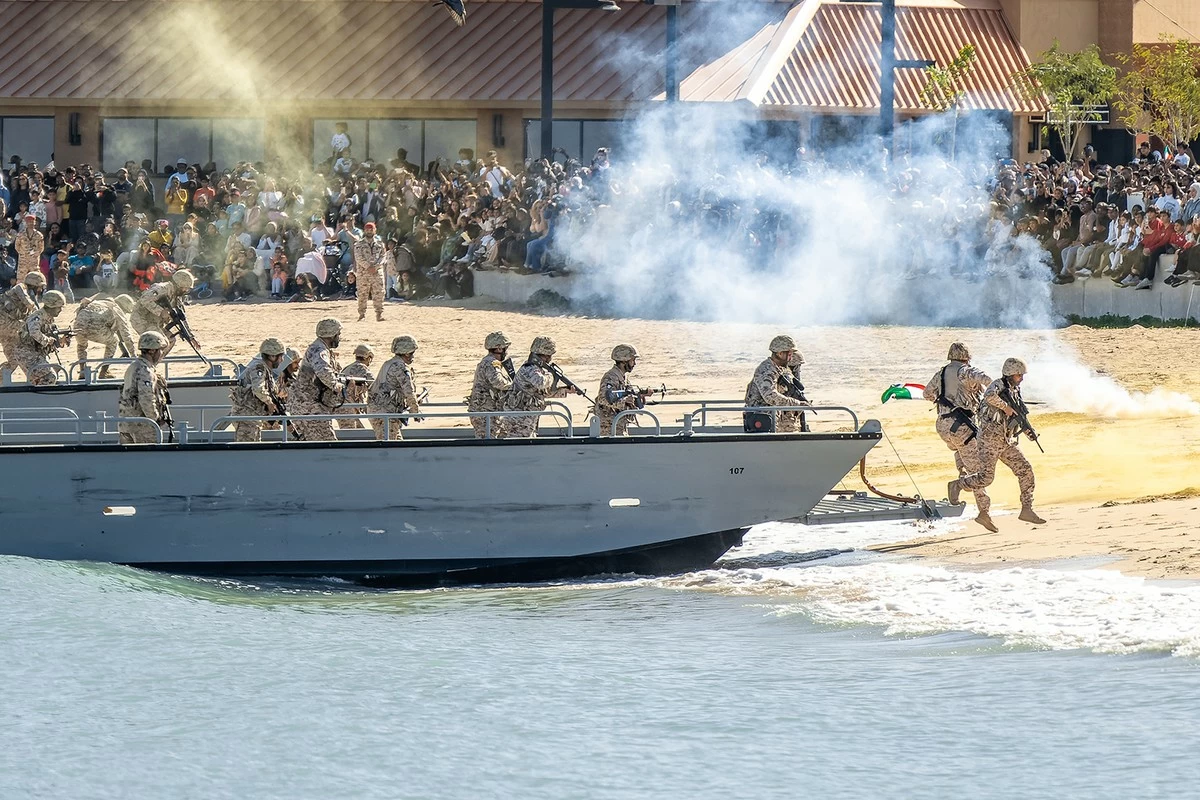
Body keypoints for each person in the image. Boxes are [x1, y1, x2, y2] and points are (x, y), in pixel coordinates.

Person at [953, 358, 1045, 531]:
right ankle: (958, 485)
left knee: (1026, 471)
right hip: (989, 442)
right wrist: (1005, 408)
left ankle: (1027, 509)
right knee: (985, 479)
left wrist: (1028, 432)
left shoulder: (1014, 390)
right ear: (1010, 374)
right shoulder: (997, 386)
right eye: (1019, 375)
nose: (1021, 379)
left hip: (1006, 441)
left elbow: (1018, 417)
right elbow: (988, 396)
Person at [929, 342, 993, 513]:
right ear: (966, 357)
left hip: (943, 425)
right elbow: (988, 380)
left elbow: (927, 393)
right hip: (961, 427)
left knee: (961, 450)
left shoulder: (941, 373)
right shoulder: (965, 371)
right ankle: (983, 511)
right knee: (978, 471)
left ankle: (961, 477)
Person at [497, 336, 579, 439]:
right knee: (517, 448)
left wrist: (563, 390)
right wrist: (551, 375)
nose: (550, 359)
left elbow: (544, 392)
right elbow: (541, 382)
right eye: (549, 355)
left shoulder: (537, 369)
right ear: (544, 355)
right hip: (518, 420)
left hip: (527, 418)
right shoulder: (530, 368)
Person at [288, 318, 346, 441]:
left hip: (310, 407)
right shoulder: (318, 350)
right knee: (327, 444)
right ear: (331, 335)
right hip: (310, 409)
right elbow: (323, 370)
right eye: (338, 334)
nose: (339, 338)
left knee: (308, 445)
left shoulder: (322, 349)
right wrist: (336, 385)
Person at [743, 335, 808, 432]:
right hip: (762, 422)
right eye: (789, 355)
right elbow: (771, 396)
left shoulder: (780, 370)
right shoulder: (766, 370)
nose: (790, 359)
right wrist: (796, 404)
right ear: (780, 353)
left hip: (772, 422)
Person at [118, 331, 170, 444]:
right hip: (142, 427)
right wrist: (156, 420)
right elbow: (146, 399)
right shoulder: (145, 371)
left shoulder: (134, 366)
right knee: (148, 460)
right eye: (160, 350)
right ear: (152, 350)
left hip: (126, 424)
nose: (162, 354)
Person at [229, 338, 286, 442]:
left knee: (254, 449)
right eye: (281, 356)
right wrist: (269, 403)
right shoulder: (258, 368)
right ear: (272, 356)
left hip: (253, 417)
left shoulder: (265, 370)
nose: (282, 360)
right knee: (246, 451)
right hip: (246, 417)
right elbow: (258, 388)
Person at [367, 336, 422, 441]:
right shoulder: (400, 367)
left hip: (380, 411)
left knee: (397, 443)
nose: (413, 356)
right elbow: (409, 392)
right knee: (389, 448)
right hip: (386, 414)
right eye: (412, 353)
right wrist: (415, 411)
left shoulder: (388, 364)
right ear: (406, 353)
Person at [131, 269, 195, 356]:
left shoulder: (176, 297)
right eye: (185, 288)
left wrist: (190, 336)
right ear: (178, 284)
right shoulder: (162, 288)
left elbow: (182, 318)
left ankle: (153, 362)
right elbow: (144, 299)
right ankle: (146, 362)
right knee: (162, 342)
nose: (186, 290)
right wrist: (160, 311)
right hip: (141, 319)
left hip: (154, 323)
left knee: (171, 339)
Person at [594, 343, 653, 437]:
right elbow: (603, 398)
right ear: (624, 361)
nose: (634, 363)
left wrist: (641, 396)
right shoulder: (610, 377)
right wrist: (624, 401)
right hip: (609, 429)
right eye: (632, 360)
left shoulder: (623, 378)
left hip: (619, 426)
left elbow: (629, 395)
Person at [73, 293, 138, 378]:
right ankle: (104, 372)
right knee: (114, 342)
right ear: (124, 307)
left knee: (81, 345)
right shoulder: (117, 309)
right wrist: (134, 357)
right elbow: (126, 335)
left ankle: (83, 372)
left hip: (78, 326)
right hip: (95, 327)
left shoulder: (98, 302)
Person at [14, 289, 70, 385]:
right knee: (49, 377)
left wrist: (60, 341)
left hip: (36, 353)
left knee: (51, 372)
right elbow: (34, 332)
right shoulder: (37, 317)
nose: (60, 310)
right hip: (26, 353)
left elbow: (47, 341)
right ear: (51, 306)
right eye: (59, 307)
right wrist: (47, 340)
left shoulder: (49, 320)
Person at [467, 331, 514, 438]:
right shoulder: (491, 363)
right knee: (486, 442)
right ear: (499, 349)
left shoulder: (490, 362)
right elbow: (498, 382)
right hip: (484, 412)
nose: (507, 352)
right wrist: (514, 385)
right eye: (506, 348)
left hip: (489, 410)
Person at [0, 271, 45, 375]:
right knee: (26, 347)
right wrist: (33, 307)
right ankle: (35, 377)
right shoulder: (20, 288)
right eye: (40, 286)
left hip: (7, 330)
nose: (41, 290)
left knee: (13, 362)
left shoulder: (29, 298)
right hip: (5, 325)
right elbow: (28, 303)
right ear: (34, 284)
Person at [353, 221, 387, 321]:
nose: (369, 231)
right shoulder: (359, 244)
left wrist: (376, 267)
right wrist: (368, 267)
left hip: (377, 273)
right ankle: (362, 314)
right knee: (362, 294)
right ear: (364, 231)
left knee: (379, 293)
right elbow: (358, 258)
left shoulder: (380, 244)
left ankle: (379, 314)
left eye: (371, 229)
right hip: (363, 273)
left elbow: (383, 256)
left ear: (375, 230)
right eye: (367, 229)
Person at [340, 343, 375, 430]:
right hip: (350, 407)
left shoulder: (346, 368)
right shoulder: (363, 369)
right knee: (354, 434)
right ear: (368, 357)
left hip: (341, 405)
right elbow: (374, 386)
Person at [14, 214, 43, 282]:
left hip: (34, 261)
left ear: (35, 222)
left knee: (36, 278)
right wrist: (23, 253)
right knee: (21, 279)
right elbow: (17, 246)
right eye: (28, 222)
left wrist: (34, 254)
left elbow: (41, 248)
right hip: (23, 260)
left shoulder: (39, 235)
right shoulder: (20, 234)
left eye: (32, 222)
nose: (30, 223)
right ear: (25, 223)